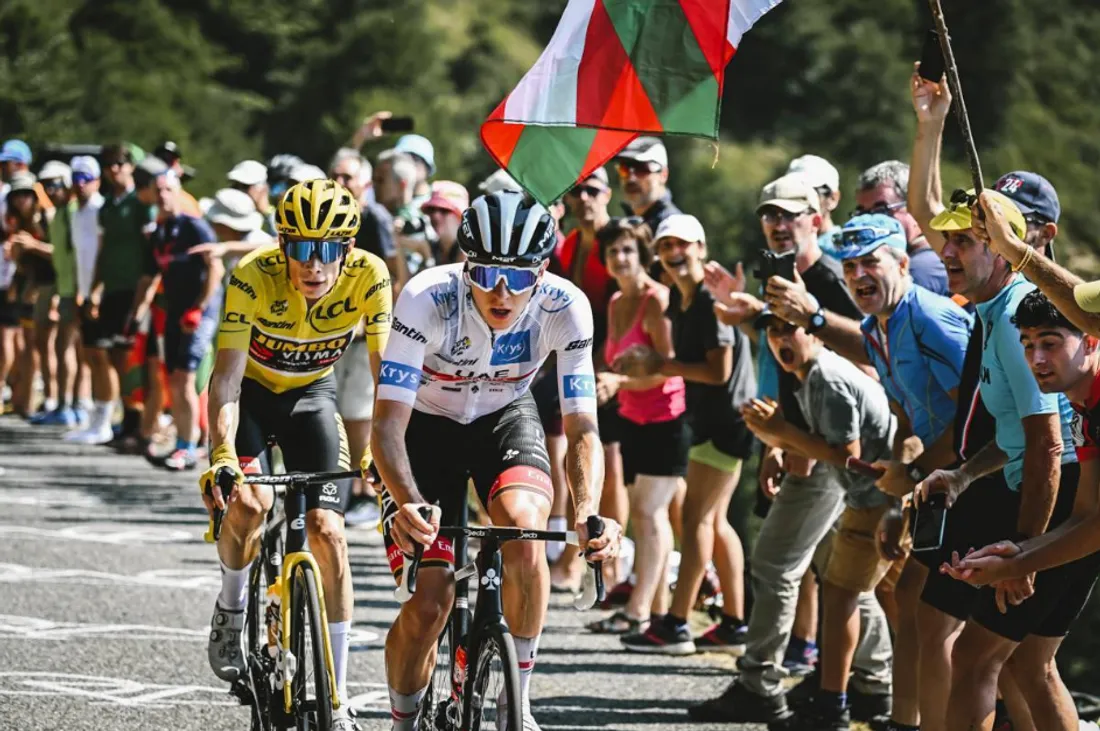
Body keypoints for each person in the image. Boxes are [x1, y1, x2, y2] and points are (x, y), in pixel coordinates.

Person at [371, 190, 622, 731]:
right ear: (466, 266)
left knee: (527, 534)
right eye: (485, 275)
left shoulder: (566, 306)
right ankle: (403, 719)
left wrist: (587, 512)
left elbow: (582, 427)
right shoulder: (425, 298)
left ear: (543, 270)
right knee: (431, 603)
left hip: (505, 415)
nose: (502, 293)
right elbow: (387, 423)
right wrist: (407, 501)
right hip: (426, 425)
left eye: (519, 277)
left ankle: (517, 702)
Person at [695, 176, 891, 725]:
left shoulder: (830, 279)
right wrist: (752, 314)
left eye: (792, 215)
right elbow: (790, 354)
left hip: (841, 448)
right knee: (840, 572)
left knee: (778, 563)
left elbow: (865, 361)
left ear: (817, 219)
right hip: (813, 438)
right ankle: (876, 684)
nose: (780, 225)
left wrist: (792, 439)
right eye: (770, 216)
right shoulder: (781, 276)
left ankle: (762, 683)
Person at [766, 213, 973, 730]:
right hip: (936, 479)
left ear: (903, 263)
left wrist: (915, 472)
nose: (859, 275)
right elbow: (909, 416)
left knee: (960, 628)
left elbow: (977, 417)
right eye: (851, 265)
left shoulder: (930, 318)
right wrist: (903, 490)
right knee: (910, 601)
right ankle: (905, 722)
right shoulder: (879, 326)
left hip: (978, 479)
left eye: (871, 263)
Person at [199, 179, 391, 731]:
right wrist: (221, 453)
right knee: (254, 502)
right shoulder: (252, 276)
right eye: (301, 248)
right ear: (282, 246)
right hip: (252, 398)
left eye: (328, 249)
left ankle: (337, 692)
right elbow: (228, 378)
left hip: (312, 395)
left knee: (329, 530)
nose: (313, 264)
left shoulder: (370, 277)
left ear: (348, 250)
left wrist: (381, 450)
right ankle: (232, 609)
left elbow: (386, 379)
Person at [914, 190, 1081, 731]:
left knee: (975, 658)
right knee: (1030, 666)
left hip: (1065, 498)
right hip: (1063, 494)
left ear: (1002, 253)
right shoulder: (994, 314)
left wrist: (1024, 551)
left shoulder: (1014, 320)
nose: (947, 253)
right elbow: (1015, 433)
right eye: (945, 241)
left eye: (966, 240)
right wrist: (964, 474)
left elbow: (1048, 444)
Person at [744, 311, 898, 731]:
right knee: (850, 589)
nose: (779, 339)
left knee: (844, 592)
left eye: (788, 328)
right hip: (866, 498)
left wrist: (779, 432)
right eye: (771, 331)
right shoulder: (810, 375)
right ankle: (871, 688)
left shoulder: (827, 378)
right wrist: (774, 440)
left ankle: (838, 706)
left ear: (813, 334)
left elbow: (850, 456)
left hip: (876, 499)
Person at [617, 214, 756, 655]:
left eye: (682, 245)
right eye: (665, 248)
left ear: (701, 246)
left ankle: (676, 624)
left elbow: (719, 371)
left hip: (724, 423)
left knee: (695, 520)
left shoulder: (705, 303)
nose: (674, 254)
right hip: (716, 423)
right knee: (715, 522)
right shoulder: (685, 300)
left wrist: (659, 365)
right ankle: (734, 622)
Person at [940, 288, 1100, 620]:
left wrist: (1016, 565)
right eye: (1028, 346)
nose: (1036, 359)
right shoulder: (1082, 406)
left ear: (1090, 342)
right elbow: (1084, 513)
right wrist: (1016, 552)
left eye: (1050, 344)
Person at [586, 218, 687, 636]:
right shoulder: (614, 302)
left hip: (667, 417)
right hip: (632, 418)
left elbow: (670, 368)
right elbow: (615, 360)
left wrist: (619, 382)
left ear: (643, 255)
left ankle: (639, 610)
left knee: (648, 513)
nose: (620, 258)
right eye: (613, 252)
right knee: (643, 516)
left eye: (628, 250)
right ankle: (655, 609)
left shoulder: (657, 300)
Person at [555, 168, 630, 591]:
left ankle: (612, 562)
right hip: (576, 362)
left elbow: (625, 305)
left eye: (592, 190)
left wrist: (610, 364)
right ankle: (573, 556)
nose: (584, 198)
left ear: (607, 195)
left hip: (606, 364)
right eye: (577, 190)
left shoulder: (614, 243)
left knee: (610, 462)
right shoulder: (570, 244)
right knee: (575, 456)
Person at [134, 171, 223, 470]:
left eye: (168, 189)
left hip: (200, 311)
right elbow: (149, 277)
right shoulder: (159, 232)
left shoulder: (194, 227)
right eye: (157, 190)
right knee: (172, 377)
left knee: (186, 376)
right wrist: (135, 315)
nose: (163, 196)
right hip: (174, 310)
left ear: (178, 192)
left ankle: (190, 445)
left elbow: (216, 268)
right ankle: (184, 443)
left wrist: (199, 306)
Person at [31, 161, 81, 426]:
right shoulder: (59, 213)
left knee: (67, 347)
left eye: (55, 184)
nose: (50, 190)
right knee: (68, 348)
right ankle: (67, 404)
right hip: (64, 288)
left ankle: (70, 405)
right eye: (46, 186)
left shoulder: (73, 211)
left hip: (75, 289)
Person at [854, 161, 948, 296]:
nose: (871, 221)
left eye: (881, 210)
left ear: (915, 206)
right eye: (863, 213)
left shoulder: (919, 270)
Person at [614, 137, 682, 235]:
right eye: (624, 169)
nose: (631, 178)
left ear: (663, 175)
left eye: (641, 169)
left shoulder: (674, 229)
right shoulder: (625, 224)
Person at [787, 154, 843, 258]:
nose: (799, 198)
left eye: (810, 192)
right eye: (792, 191)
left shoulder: (847, 251)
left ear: (833, 198)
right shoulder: (783, 248)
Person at [421, 180, 468, 266]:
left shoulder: (469, 251)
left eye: (444, 210)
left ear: (461, 216)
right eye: (431, 209)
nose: (435, 216)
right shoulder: (434, 248)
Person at [226, 159, 276, 236]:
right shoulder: (226, 214)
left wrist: (266, 212)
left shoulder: (277, 219)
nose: (239, 191)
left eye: (245, 186)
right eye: (235, 186)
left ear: (263, 189)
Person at [393, 133, 435, 205]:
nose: (408, 163)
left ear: (427, 168)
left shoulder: (437, 204)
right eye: (403, 158)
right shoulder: (388, 200)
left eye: (415, 159)